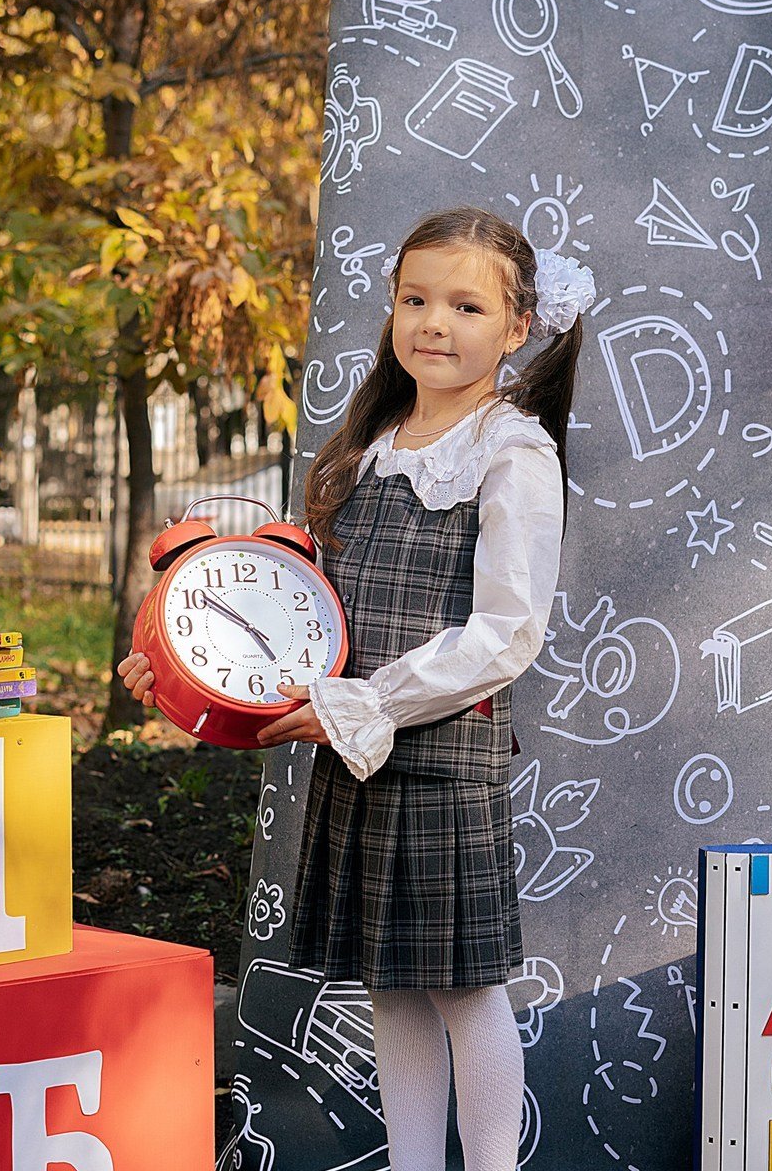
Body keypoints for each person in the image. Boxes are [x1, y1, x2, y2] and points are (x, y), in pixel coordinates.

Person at [119, 205, 593, 1171]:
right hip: (353, 754)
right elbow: (301, 617)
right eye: (415, 298)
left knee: (462, 988)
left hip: (434, 760)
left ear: (516, 327)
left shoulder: (513, 451)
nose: (434, 323)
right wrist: (182, 655)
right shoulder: (375, 441)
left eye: (466, 305)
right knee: (387, 983)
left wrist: (364, 705)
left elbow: (507, 633)